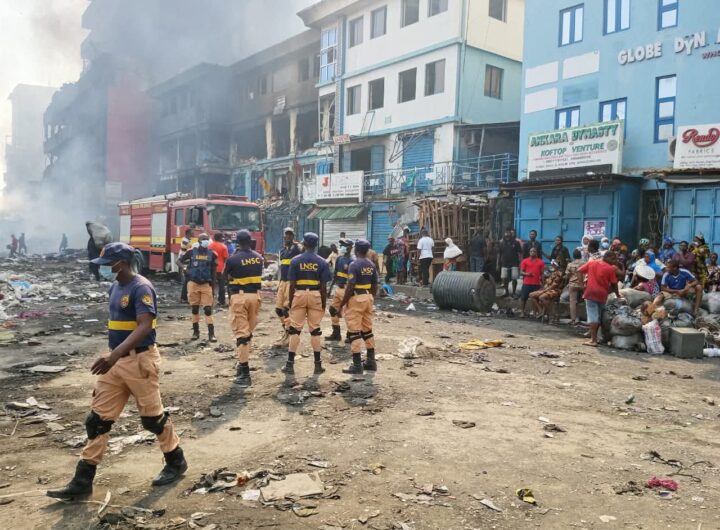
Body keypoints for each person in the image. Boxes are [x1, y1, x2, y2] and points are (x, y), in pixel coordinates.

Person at [46, 243, 186, 500]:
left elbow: (145, 326)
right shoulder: (115, 287)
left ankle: (176, 461)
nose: (106, 268)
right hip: (116, 363)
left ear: (122, 263)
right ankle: (82, 481)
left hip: (139, 361)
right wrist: (113, 356)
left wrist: (114, 354)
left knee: (152, 420)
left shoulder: (141, 287)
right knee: (97, 420)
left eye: (109, 263)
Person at [281, 233, 332, 376]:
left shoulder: (295, 260)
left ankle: (289, 364)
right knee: (315, 330)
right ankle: (318, 365)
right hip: (315, 295)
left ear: (303, 244)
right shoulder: (322, 262)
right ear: (315, 245)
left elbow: (292, 284)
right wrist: (323, 303)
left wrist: (291, 301)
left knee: (295, 330)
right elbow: (323, 287)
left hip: (299, 294)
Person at [224, 230, 263, 387]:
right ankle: (241, 364)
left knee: (242, 335)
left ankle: (245, 374)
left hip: (239, 297)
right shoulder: (259, 258)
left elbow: (225, 277)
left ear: (237, 242)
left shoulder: (233, 259)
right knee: (248, 333)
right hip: (255, 296)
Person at [339, 239, 379, 374]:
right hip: (368, 297)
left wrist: (342, 303)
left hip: (356, 298)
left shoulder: (354, 265)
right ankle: (371, 361)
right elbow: (375, 285)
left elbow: (350, 286)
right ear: (367, 250)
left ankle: (357, 365)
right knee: (367, 330)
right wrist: (371, 298)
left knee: (354, 332)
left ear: (356, 250)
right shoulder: (371, 264)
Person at [179, 233, 217, 342]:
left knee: (208, 309)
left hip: (206, 284)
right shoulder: (191, 252)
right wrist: (184, 268)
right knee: (194, 308)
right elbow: (179, 261)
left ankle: (211, 334)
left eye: (207, 239)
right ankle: (196, 332)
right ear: (199, 241)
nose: (206, 241)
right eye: (203, 239)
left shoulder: (212, 254)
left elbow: (214, 272)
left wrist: (213, 288)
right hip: (193, 283)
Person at [579, 251, 620, 347]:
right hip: (602, 294)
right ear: (607, 257)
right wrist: (617, 294)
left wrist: (582, 284)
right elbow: (614, 284)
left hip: (590, 292)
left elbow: (579, 270)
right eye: (613, 259)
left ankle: (593, 340)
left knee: (593, 316)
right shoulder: (610, 269)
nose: (615, 261)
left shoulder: (592, 263)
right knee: (599, 315)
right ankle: (596, 337)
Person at [276, 228, 302, 346]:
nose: (288, 237)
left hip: (291, 282)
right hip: (283, 282)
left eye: (290, 235)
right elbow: (281, 267)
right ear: (284, 236)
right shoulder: (282, 250)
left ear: (293, 236)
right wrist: (279, 283)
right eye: (287, 235)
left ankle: (289, 336)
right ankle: (286, 331)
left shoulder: (297, 249)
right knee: (278, 309)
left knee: (286, 309)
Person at [327, 239, 354, 342]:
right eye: (341, 245)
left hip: (347, 289)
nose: (342, 247)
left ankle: (350, 334)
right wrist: (330, 289)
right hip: (338, 288)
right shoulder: (339, 259)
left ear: (350, 247)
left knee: (348, 313)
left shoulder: (352, 261)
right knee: (333, 309)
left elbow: (353, 280)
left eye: (345, 245)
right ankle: (336, 334)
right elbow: (335, 275)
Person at [519, 247, 544, 317]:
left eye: (534, 251)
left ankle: (535, 313)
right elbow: (521, 272)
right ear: (529, 253)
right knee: (523, 298)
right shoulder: (525, 261)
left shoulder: (541, 262)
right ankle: (522, 312)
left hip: (536, 283)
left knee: (535, 299)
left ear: (536, 253)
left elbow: (542, 274)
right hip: (527, 283)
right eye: (531, 251)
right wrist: (527, 274)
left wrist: (542, 283)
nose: (532, 252)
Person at [498, 229, 522, 297]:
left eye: (509, 233)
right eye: (506, 233)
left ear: (511, 234)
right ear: (504, 234)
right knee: (504, 278)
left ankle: (514, 293)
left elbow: (520, 253)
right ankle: (506, 292)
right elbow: (499, 254)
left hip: (514, 263)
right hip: (504, 263)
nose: (507, 234)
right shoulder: (501, 243)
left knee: (514, 278)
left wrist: (520, 262)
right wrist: (497, 263)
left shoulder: (516, 242)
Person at [209, 233, 229, 306]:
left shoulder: (210, 246)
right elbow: (226, 258)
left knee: (211, 285)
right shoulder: (223, 246)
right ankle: (221, 301)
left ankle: (209, 301)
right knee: (221, 285)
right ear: (220, 238)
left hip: (211, 268)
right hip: (221, 268)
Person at [565, 249, 584, 325]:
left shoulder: (570, 264)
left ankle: (573, 319)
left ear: (573, 256)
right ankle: (588, 320)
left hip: (572, 284)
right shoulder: (584, 263)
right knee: (585, 302)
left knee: (572, 302)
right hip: (582, 284)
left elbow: (567, 275)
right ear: (580, 255)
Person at [178, 229, 192, 303]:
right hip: (184, 263)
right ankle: (183, 298)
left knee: (187, 281)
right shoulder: (185, 241)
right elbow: (185, 251)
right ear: (188, 233)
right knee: (186, 281)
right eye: (192, 232)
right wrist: (184, 267)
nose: (193, 233)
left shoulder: (188, 240)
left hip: (185, 262)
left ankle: (185, 298)